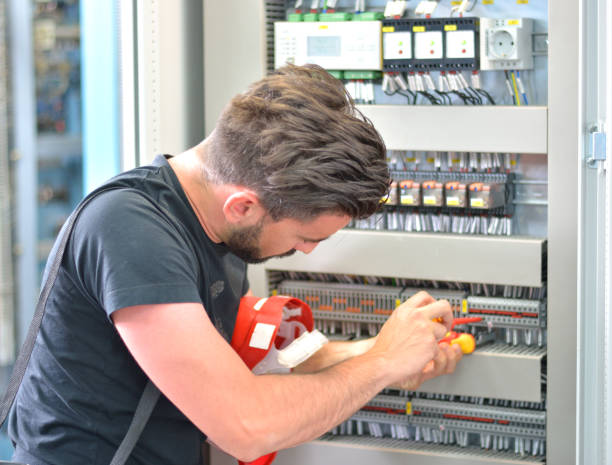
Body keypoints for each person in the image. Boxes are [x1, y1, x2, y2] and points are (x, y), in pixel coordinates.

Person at [8, 64, 462, 465]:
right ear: (243, 206)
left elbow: (246, 364)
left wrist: (378, 350)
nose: (307, 251)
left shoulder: (217, 230)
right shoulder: (128, 230)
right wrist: (381, 363)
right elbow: (246, 426)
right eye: (306, 237)